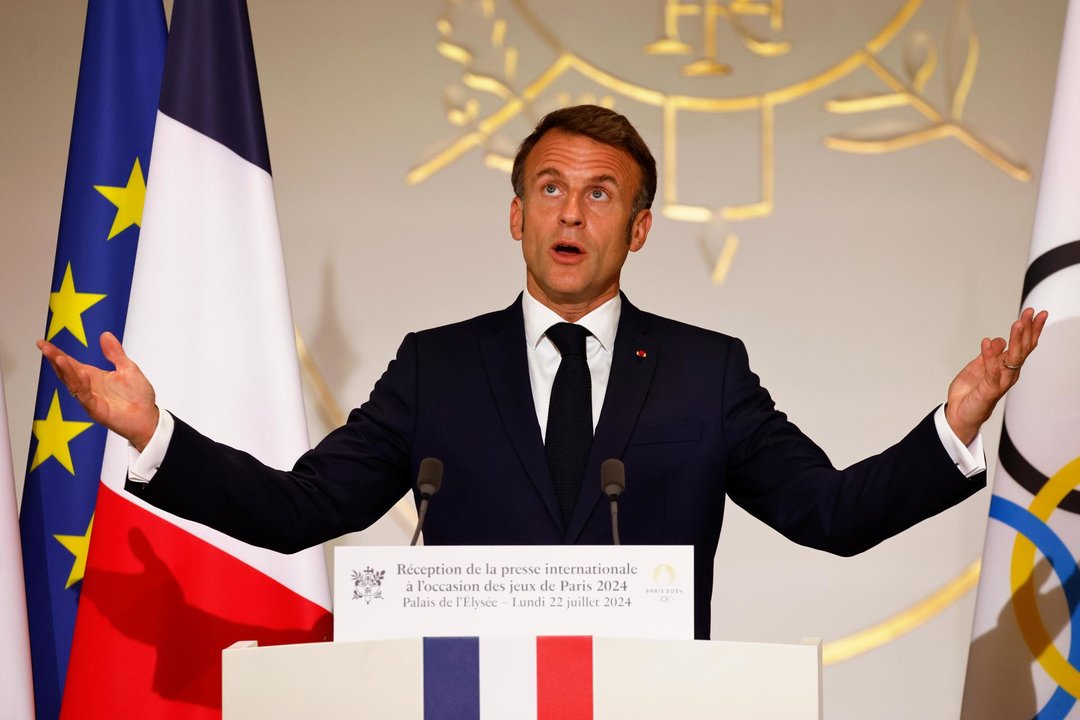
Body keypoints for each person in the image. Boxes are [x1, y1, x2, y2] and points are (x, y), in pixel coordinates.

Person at [39, 105, 1047, 640]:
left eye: (601, 194)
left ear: (640, 228)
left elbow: (832, 514)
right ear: (515, 215)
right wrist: (152, 431)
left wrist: (953, 426)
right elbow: (302, 507)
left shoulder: (705, 374)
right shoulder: (435, 370)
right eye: (550, 189)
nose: (572, 212)